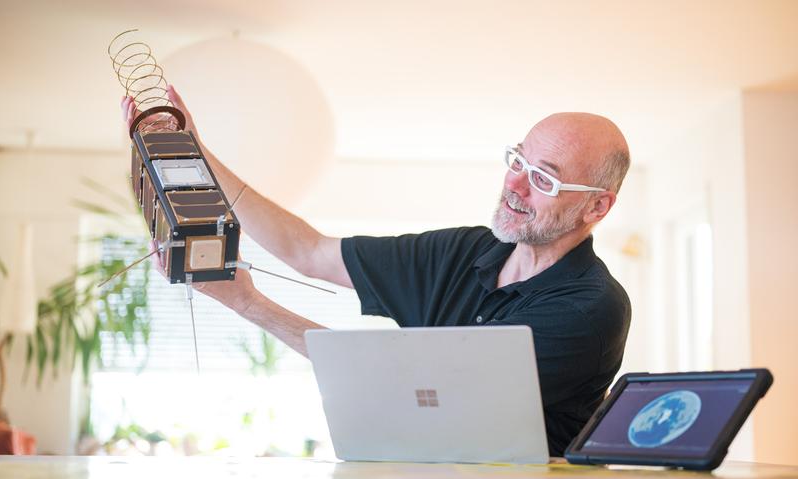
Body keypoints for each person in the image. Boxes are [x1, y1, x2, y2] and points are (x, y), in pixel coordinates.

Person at [121, 86, 632, 456]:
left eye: (543, 178)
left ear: (596, 208)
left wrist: (248, 302)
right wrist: (196, 150)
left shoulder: (590, 307)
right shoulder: (462, 251)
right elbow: (308, 250)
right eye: (518, 160)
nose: (515, 186)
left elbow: (415, 392)